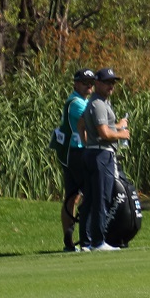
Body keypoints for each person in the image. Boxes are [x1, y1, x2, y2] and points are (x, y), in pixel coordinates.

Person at [73, 68, 129, 252]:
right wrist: (122, 134)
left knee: (90, 199)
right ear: (97, 83)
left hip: (92, 153)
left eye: (113, 82)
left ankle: (86, 243)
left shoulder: (98, 103)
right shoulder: (98, 104)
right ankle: (98, 242)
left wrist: (86, 142)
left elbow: (81, 124)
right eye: (107, 82)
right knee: (101, 198)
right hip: (100, 155)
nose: (111, 86)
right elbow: (104, 132)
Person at [60, 69, 95, 252]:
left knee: (73, 197)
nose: (89, 85)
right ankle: (85, 238)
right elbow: (93, 125)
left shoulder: (83, 101)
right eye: (84, 82)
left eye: (91, 82)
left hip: (70, 153)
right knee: (89, 193)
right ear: (75, 84)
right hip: (77, 153)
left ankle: (70, 238)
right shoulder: (76, 103)